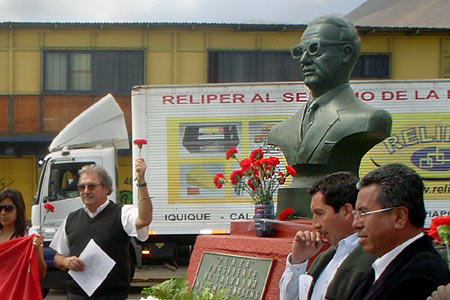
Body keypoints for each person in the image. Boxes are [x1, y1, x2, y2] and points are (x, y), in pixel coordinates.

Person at [268, 16, 391, 186]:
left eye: (314, 49)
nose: (304, 59)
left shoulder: (369, 119)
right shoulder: (283, 130)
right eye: (300, 51)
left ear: (346, 53)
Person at [50, 158, 153, 300]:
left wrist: (141, 182)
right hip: (76, 296)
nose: (86, 191)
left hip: (112, 296)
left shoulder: (122, 213)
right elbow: (57, 257)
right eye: (82, 187)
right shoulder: (71, 219)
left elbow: (144, 219)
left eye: (91, 186)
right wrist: (66, 262)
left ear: (106, 188)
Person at [349, 163, 450, 300]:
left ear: (399, 216)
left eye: (364, 213)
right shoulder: (385, 266)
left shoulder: (420, 277)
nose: (356, 224)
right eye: (356, 213)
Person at [279, 172, 375, 300]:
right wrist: (298, 261)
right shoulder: (327, 257)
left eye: (319, 213)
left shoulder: (372, 259)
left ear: (347, 211)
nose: (315, 225)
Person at [0, 188, 47, 279]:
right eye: (0, 209)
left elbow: (41, 274)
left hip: (18, 290)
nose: (3, 213)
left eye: (8, 208)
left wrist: (36, 250)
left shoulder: (29, 235)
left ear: (18, 209)